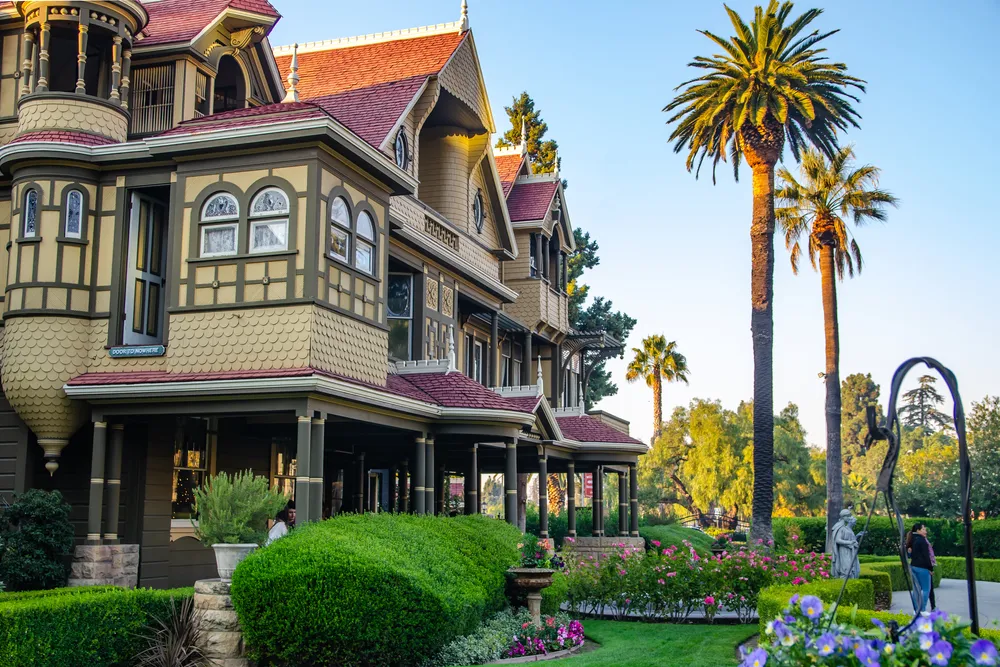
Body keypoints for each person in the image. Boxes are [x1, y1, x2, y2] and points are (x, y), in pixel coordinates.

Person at [907, 522, 934, 613]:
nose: (925, 531)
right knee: (926, 589)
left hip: (913, 566)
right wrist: (930, 568)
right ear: (918, 530)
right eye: (923, 529)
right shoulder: (922, 541)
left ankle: (916, 609)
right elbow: (926, 556)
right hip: (923, 567)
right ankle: (922, 609)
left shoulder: (912, 539)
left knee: (916, 589)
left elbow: (909, 553)